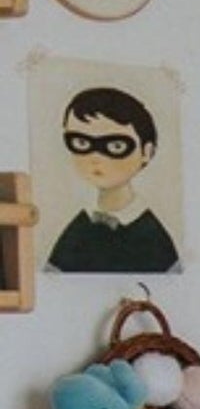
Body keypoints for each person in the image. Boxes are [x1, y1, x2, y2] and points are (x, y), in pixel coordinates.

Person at [46, 86, 180, 275]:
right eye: (82, 143)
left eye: (116, 145)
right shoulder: (79, 227)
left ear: (146, 152)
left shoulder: (152, 237)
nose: (96, 157)